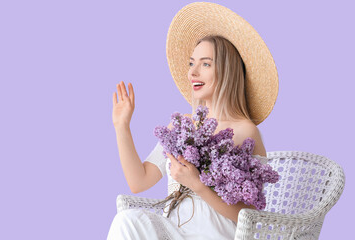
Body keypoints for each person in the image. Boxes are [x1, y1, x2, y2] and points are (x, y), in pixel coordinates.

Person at [107, 2, 279, 239]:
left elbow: (249, 215)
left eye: (205, 64)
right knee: (127, 220)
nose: (193, 72)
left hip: (214, 234)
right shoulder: (182, 127)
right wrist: (122, 126)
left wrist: (197, 184)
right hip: (173, 231)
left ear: (227, 72)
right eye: (191, 63)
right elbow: (139, 181)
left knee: (128, 220)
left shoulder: (245, 131)